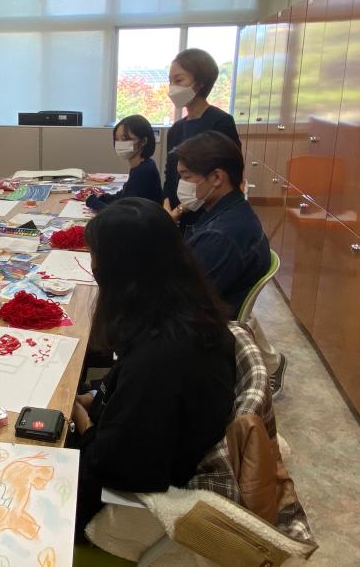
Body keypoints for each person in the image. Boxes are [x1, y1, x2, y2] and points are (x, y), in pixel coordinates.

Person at [70, 198, 236, 538]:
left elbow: (114, 466)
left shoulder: (159, 360)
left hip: (124, 506)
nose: (93, 266)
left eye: (96, 258)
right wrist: (94, 396)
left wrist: (81, 420)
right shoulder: (184, 312)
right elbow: (130, 393)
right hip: (157, 448)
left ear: (122, 272)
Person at [172, 131, 286, 393]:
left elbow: (185, 305)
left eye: (186, 176)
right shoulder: (228, 212)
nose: (182, 184)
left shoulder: (221, 236)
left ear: (216, 177)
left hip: (199, 331)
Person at [161, 48, 241, 214]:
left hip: (207, 214)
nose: (172, 87)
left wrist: (179, 211)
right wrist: (167, 208)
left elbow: (226, 178)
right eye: (170, 81)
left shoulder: (220, 122)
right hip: (176, 215)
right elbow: (170, 176)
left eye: (178, 80)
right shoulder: (176, 129)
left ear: (199, 83)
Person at [86, 115, 161, 211]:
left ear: (143, 141)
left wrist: (93, 203)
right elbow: (124, 197)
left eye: (125, 139)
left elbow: (124, 214)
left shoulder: (144, 171)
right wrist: (103, 198)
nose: (119, 143)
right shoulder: (143, 165)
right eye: (117, 139)